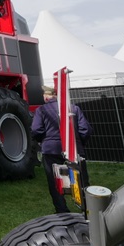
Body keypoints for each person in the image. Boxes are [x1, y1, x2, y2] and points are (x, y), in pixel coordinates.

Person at [31, 84, 91, 213]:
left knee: (55, 180)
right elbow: (85, 130)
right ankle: (86, 208)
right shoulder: (74, 108)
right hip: (74, 148)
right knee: (81, 179)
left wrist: (44, 141)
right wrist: (79, 144)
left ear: (47, 96)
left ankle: (62, 210)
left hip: (51, 149)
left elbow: (36, 130)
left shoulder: (41, 110)